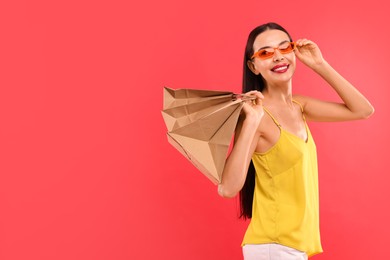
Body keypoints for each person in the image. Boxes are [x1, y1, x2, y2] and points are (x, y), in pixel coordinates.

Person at [217, 22, 374, 259]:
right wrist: (251, 121)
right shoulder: (257, 115)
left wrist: (320, 65)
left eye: (284, 47)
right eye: (266, 53)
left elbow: (363, 110)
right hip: (273, 246)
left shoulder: (299, 107)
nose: (278, 57)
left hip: (292, 247)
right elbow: (228, 188)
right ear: (254, 66)